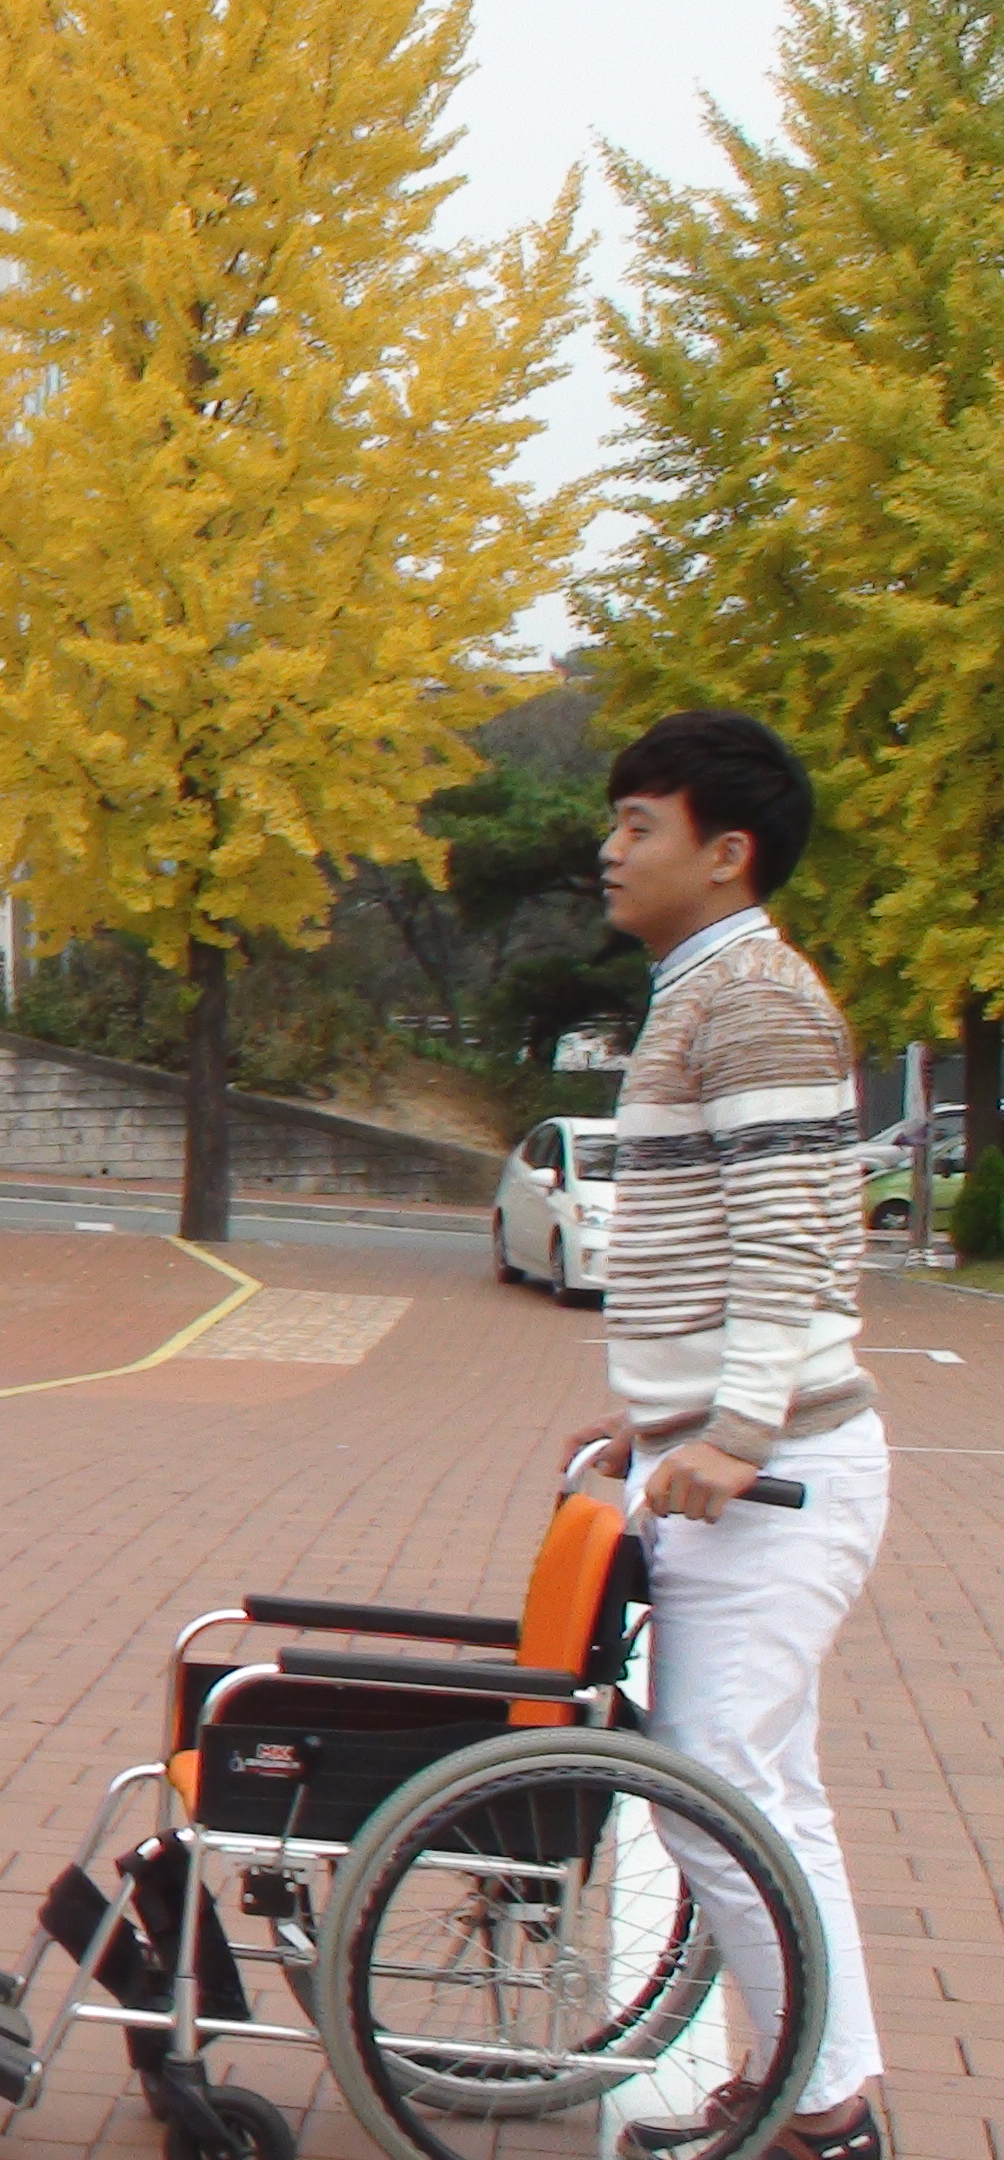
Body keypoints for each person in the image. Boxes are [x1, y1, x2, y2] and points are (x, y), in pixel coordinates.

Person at [572, 712, 887, 2160]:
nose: (612, 848)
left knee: (711, 1795)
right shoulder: (708, 989)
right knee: (765, 1796)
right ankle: (823, 2090)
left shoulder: (752, 998)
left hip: (766, 1479)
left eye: (641, 823)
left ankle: (823, 2110)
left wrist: (736, 1430)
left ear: (727, 851)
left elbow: (784, 1240)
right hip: (731, 1459)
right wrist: (653, 1415)